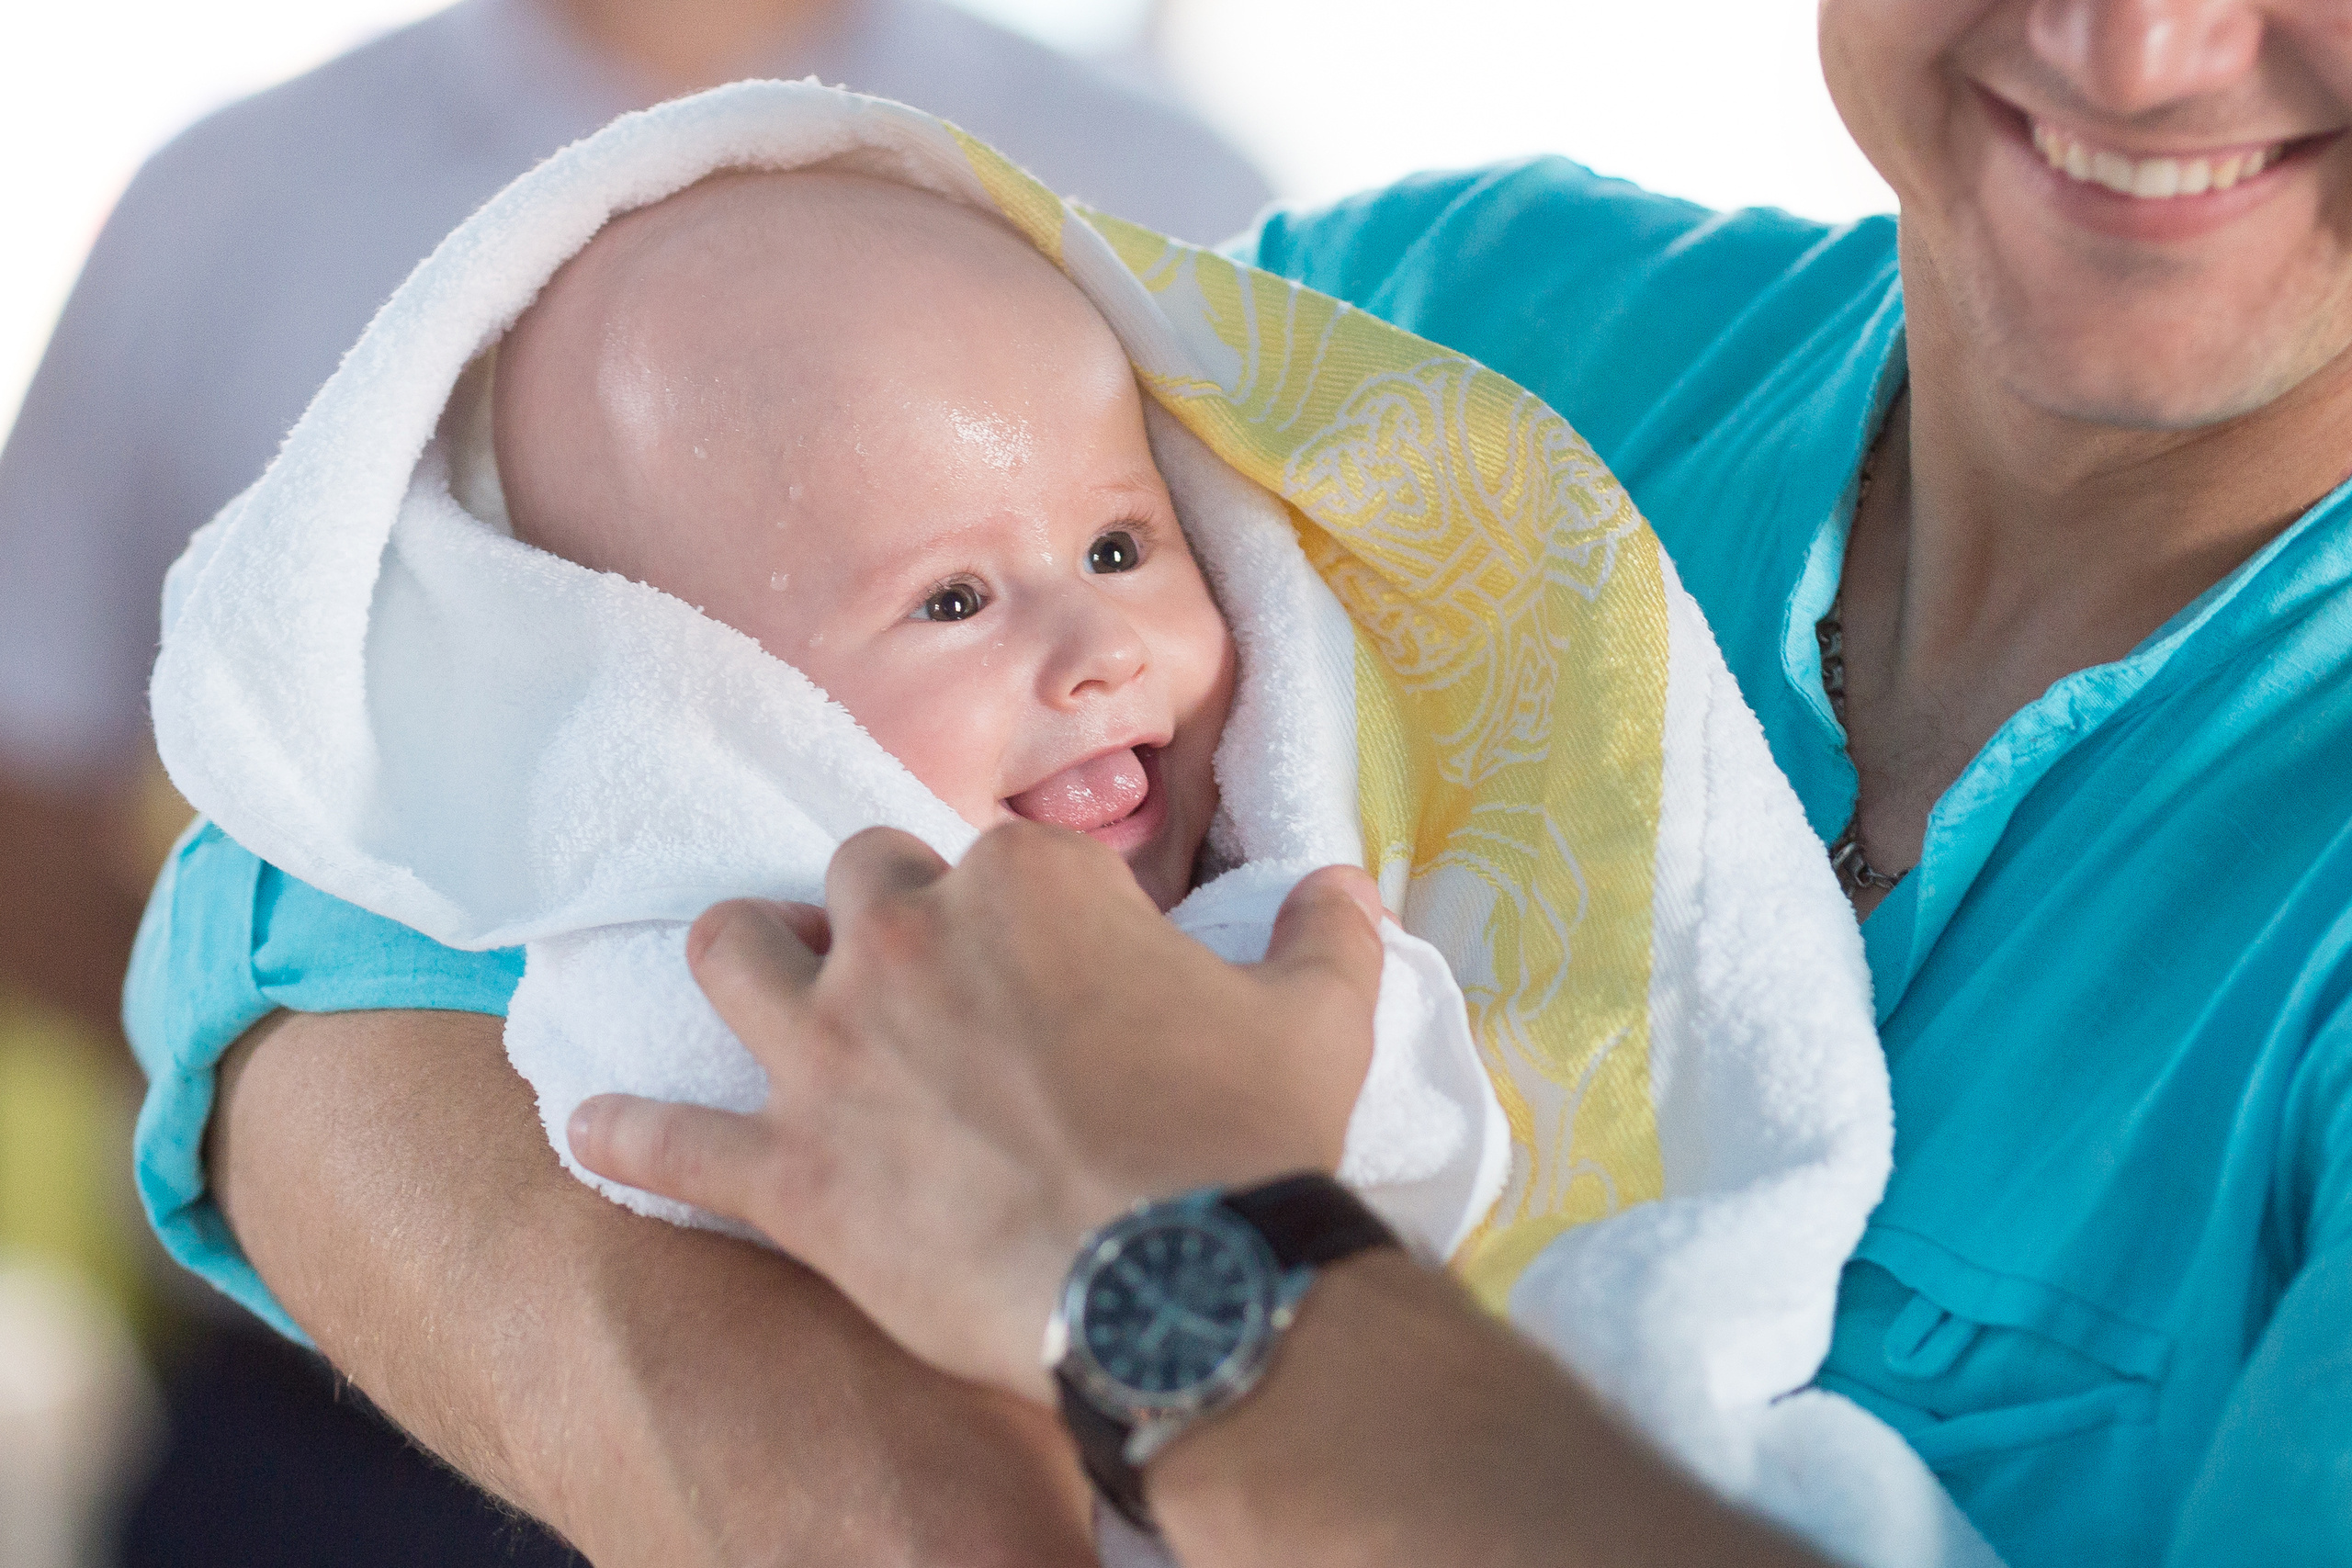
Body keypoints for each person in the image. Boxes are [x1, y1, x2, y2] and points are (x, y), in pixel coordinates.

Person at [128, 0, 2352, 1562]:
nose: (2139, 45)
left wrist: (1167, 1261)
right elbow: (295, 907)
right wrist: (821, 1468)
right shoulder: (1441, 347)